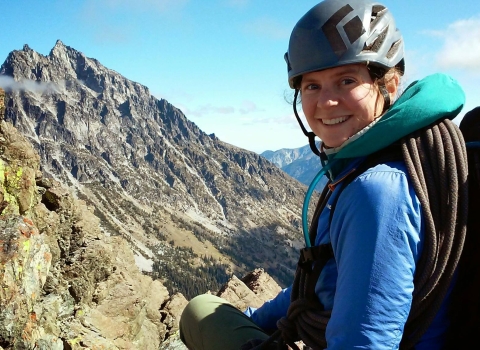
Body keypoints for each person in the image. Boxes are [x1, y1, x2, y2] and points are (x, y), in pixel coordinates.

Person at [179, 0, 467, 349]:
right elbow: (324, 276)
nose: (326, 102)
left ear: (389, 85)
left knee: (199, 310)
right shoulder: (388, 163)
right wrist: (256, 322)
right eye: (311, 86)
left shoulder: (376, 190)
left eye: (346, 80)